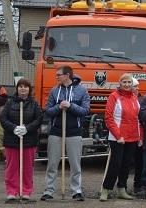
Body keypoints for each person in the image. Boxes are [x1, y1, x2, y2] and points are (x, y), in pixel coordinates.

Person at [41, 65, 90, 201]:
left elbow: (85, 111)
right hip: (56, 131)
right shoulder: (54, 91)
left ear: (67, 75)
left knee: (75, 164)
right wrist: (59, 106)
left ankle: (76, 191)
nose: (56, 77)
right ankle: (49, 191)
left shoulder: (82, 91)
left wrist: (71, 105)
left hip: (74, 132)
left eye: (59, 75)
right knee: (52, 163)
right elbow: (48, 111)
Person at [101, 74, 142, 201]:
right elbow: (108, 118)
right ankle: (106, 189)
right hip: (117, 137)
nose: (127, 84)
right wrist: (118, 136)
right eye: (124, 82)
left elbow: (137, 119)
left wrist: (140, 137)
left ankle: (122, 189)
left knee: (126, 165)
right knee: (115, 164)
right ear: (120, 83)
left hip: (132, 136)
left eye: (129, 82)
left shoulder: (135, 97)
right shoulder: (114, 96)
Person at [0, 78, 42, 201]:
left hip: (29, 141)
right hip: (11, 140)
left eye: (25, 86)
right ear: (17, 89)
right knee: (11, 167)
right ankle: (11, 191)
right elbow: (3, 119)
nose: (23, 88)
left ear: (29, 89)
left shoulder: (34, 104)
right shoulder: (9, 103)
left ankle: (26, 191)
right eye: (20, 86)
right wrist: (14, 128)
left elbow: (39, 119)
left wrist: (27, 128)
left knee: (27, 168)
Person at [131, 78, 145, 195]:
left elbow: (142, 120)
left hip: (138, 134)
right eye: (135, 86)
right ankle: (122, 185)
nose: (137, 88)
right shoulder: (120, 98)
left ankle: (138, 184)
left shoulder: (141, 100)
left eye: (137, 86)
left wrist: (141, 137)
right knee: (123, 162)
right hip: (125, 136)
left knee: (139, 161)